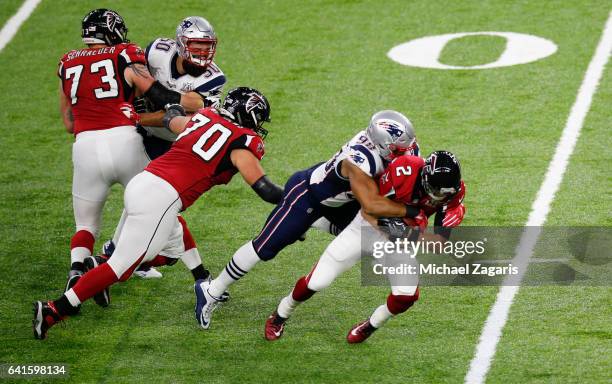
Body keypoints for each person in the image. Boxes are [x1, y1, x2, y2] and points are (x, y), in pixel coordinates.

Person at [33, 87, 282, 340]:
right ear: (248, 116)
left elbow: (171, 120)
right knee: (120, 267)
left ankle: (99, 272)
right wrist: (293, 198)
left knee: (170, 251)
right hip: (161, 197)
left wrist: (172, 105)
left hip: (144, 181)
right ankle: (55, 309)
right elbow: (264, 188)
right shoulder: (242, 144)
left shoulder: (204, 117)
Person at [194, 110, 422, 329]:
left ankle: (316, 224)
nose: (406, 153)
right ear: (383, 144)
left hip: (342, 199)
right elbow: (371, 204)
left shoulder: (393, 149)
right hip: (309, 197)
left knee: (367, 233)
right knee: (264, 248)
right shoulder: (360, 158)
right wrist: (411, 212)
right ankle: (212, 290)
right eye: (398, 150)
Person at [59, 9, 202, 294]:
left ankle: (77, 270)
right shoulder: (125, 53)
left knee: (85, 225)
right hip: (125, 141)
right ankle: (192, 270)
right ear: (112, 32)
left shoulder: (66, 63)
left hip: (85, 146)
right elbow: (154, 92)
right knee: (157, 204)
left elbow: (68, 123)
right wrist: (183, 102)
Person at [264, 151, 466, 343]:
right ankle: (281, 313)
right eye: (437, 190)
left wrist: (405, 233)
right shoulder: (404, 169)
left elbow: (438, 244)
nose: (440, 196)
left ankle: (370, 325)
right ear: (425, 178)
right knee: (317, 282)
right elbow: (370, 209)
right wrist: (394, 225)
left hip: (399, 240)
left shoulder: (454, 193)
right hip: (366, 227)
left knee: (406, 294)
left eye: (446, 192)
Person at [103, 16, 227, 280]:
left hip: (170, 140)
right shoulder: (158, 51)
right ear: (181, 44)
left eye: (208, 47)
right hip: (135, 129)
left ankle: (115, 255)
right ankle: (114, 257)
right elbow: (131, 78)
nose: (203, 53)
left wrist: (140, 115)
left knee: (158, 202)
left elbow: (180, 111)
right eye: (197, 45)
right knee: (154, 202)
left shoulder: (213, 78)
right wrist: (131, 102)